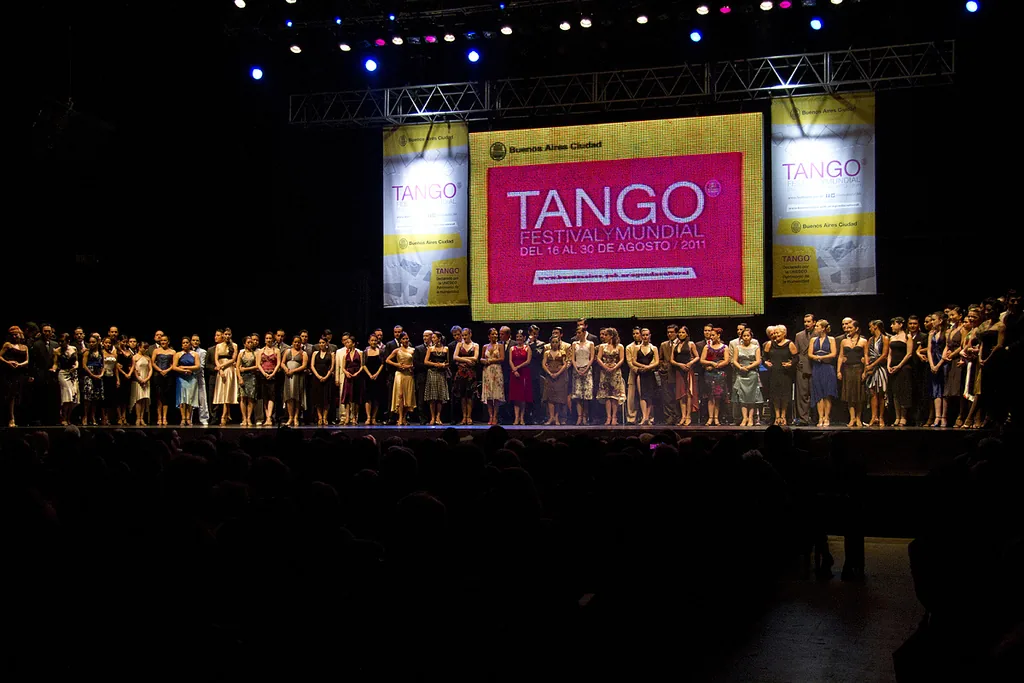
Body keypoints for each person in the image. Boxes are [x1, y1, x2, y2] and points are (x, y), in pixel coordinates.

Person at [765, 325, 798, 426]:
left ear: (784, 333)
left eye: (778, 333)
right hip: (774, 373)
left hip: (785, 373)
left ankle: (783, 416)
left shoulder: (789, 344)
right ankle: (777, 416)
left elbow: (796, 358)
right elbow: (764, 357)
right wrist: (766, 362)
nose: (775, 335)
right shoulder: (770, 344)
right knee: (775, 396)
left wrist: (790, 364)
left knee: (784, 395)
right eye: (774, 333)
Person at [837, 320, 867, 428]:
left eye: (850, 328)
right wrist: (838, 371)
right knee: (849, 395)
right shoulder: (844, 341)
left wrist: (865, 371)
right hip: (847, 369)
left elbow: (866, 356)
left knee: (859, 394)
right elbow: (840, 356)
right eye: (847, 328)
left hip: (859, 368)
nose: (848, 330)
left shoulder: (863, 341)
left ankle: (858, 418)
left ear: (856, 329)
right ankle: (852, 418)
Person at [809, 319, 837, 428]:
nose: (815, 328)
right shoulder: (813, 340)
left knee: (827, 393)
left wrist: (822, 357)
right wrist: (816, 357)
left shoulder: (831, 339)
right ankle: (820, 417)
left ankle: (827, 417)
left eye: (817, 326)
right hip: (817, 367)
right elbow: (810, 354)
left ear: (823, 328)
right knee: (818, 394)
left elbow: (834, 353)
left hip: (827, 368)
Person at [731, 328, 763, 427]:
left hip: (752, 374)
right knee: (742, 397)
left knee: (752, 397)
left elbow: (758, 360)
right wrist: (740, 367)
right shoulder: (738, 347)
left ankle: (750, 418)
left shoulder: (755, 347)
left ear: (751, 337)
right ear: (741, 337)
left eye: (747, 336)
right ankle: (744, 418)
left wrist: (748, 367)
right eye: (744, 336)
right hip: (741, 374)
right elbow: (734, 360)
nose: (746, 337)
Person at [887, 317, 915, 427]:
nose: (891, 326)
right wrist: (889, 365)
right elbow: (889, 354)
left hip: (903, 367)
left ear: (900, 324)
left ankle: (903, 417)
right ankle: (897, 417)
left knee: (904, 391)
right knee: (895, 392)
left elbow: (909, 353)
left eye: (893, 324)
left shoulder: (907, 336)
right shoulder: (892, 338)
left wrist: (899, 366)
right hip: (893, 367)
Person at [596, 327, 626, 425]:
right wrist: (604, 366)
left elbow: (621, 359)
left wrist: (614, 367)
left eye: (606, 335)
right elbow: (598, 358)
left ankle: (614, 417)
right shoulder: (602, 346)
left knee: (615, 395)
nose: (604, 337)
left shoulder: (620, 346)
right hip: (605, 372)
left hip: (615, 372)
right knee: (607, 395)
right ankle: (608, 417)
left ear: (611, 336)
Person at [1, 326, 30, 427]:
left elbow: (27, 361)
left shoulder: (24, 347)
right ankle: (11, 418)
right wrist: (8, 362)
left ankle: (20, 418)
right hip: (10, 374)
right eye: (12, 334)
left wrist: (20, 365)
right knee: (11, 396)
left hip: (20, 373)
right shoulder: (7, 345)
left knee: (20, 395)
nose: (14, 336)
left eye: (16, 334)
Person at [669, 326, 699, 426]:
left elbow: (697, 357)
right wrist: (680, 365)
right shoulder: (675, 345)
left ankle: (688, 416)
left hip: (688, 370)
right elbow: (672, 360)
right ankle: (682, 416)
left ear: (687, 334)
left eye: (683, 333)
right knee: (681, 395)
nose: (681, 334)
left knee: (689, 393)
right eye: (680, 333)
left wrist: (690, 364)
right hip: (679, 371)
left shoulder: (691, 344)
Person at [700, 327, 729, 426]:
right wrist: (711, 363)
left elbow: (726, 360)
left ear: (718, 335)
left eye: (713, 335)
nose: (711, 337)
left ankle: (716, 418)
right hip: (709, 374)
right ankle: (710, 418)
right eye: (710, 335)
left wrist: (719, 365)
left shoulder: (724, 347)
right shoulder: (707, 347)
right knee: (710, 396)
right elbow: (702, 360)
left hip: (720, 374)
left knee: (718, 396)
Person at [386, 332, 416, 426]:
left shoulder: (413, 350)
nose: (405, 340)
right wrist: (397, 364)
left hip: (408, 374)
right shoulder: (397, 350)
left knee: (408, 397)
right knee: (400, 395)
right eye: (403, 339)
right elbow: (387, 360)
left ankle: (404, 418)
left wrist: (411, 367)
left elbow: (415, 362)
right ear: (400, 340)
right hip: (399, 374)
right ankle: (399, 418)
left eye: (407, 338)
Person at [452, 327, 480, 425]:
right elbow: (455, 357)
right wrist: (468, 360)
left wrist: (462, 359)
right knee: (462, 396)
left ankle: (469, 416)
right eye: (463, 335)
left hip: (471, 373)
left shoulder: (475, 345)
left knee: (470, 396)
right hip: (461, 373)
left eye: (466, 335)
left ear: (470, 334)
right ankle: (464, 416)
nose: (464, 337)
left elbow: (475, 358)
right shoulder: (460, 344)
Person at [542, 327, 570, 425]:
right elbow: (543, 363)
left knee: (558, 398)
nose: (554, 344)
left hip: (559, 377)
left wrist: (558, 373)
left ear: (559, 343)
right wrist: (549, 373)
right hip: (550, 376)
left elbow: (565, 364)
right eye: (553, 342)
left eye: (556, 342)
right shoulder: (546, 352)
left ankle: (557, 418)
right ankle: (551, 417)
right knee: (550, 398)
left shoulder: (562, 352)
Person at [864, 320, 889, 428]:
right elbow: (866, 353)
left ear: (875, 327)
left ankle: (881, 417)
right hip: (871, 367)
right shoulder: (870, 339)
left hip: (880, 367)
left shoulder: (885, 338)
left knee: (881, 393)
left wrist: (873, 364)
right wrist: (867, 365)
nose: (869, 329)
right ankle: (874, 417)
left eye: (870, 327)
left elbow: (884, 355)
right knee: (872, 392)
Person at [336, 334, 364, 426]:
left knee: (355, 398)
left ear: (353, 344)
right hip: (348, 378)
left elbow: (362, 366)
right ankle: (347, 417)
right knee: (348, 398)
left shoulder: (359, 353)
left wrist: (357, 373)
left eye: (348, 342)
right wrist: (346, 373)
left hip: (356, 377)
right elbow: (343, 367)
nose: (346, 344)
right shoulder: (345, 355)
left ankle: (355, 417)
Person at [633, 328, 659, 426]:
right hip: (641, 373)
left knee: (650, 396)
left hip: (649, 373)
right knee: (642, 395)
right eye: (643, 335)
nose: (645, 337)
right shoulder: (637, 348)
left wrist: (648, 367)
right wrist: (642, 367)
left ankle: (647, 417)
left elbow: (657, 362)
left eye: (647, 335)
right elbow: (634, 361)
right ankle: (644, 417)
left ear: (650, 335)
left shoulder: (653, 348)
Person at [570, 325, 595, 425]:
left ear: (584, 333)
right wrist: (576, 368)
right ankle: (579, 417)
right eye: (577, 333)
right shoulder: (574, 344)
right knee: (578, 395)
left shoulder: (590, 344)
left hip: (587, 370)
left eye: (579, 333)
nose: (578, 335)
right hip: (577, 370)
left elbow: (592, 357)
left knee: (586, 396)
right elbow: (573, 358)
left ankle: (585, 417)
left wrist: (586, 368)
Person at [423, 332, 450, 426]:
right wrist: (435, 364)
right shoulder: (430, 349)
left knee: (440, 397)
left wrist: (444, 365)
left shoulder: (446, 348)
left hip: (441, 373)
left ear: (439, 338)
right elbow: (425, 361)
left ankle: (438, 417)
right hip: (432, 373)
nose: (432, 339)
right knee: (432, 397)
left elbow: (448, 362)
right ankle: (432, 417)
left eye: (434, 337)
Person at [172, 337, 200, 427]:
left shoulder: (195, 354)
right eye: (183, 342)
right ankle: (183, 418)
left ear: (190, 344)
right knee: (182, 398)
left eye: (187, 342)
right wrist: (183, 371)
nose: (185, 344)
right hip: (181, 378)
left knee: (190, 398)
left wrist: (185, 368)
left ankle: (188, 417)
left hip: (191, 378)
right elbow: (174, 367)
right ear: (181, 344)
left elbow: (197, 366)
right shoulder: (178, 354)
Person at [213, 330, 239, 425]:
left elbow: (233, 359)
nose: (227, 336)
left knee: (227, 392)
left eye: (229, 334)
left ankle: (224, 416)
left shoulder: (234, 345)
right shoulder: (218, 346)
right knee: (222, 392)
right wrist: (220, 369)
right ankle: (227, 414)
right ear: (223, 335)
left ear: (231, 335)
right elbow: (216, 359)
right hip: (221, 370)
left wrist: (222, 366)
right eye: (225, 334)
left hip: (229, 369)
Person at [480, 328, 506, 426]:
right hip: (487, 371)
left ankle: (495, 416)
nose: (495, 336)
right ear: (489, 336)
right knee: (489, 396)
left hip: (496, 371)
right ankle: (490, 416)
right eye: (493, 334)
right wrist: (483, 360)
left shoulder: (500, 346)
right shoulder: (485, 346)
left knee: (496, 395)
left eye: (496, 334)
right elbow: (482, 357)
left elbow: (502, 358)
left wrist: (491, 361)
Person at [793, 313, 816, 425]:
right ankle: (803, 419)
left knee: (816, 393)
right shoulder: (799, 335)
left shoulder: (818, 334)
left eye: (809, 321)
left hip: (816, 366)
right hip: (802, 367)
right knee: (802, 394)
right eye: (805, 321)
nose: (806, 324)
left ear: (814, 322)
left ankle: (817, 418)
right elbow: (796, 352)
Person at [53, 333, 79, 425]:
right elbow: (55, 363)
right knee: (66, 396)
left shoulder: (73, 349)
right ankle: (63, 416)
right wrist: (53, 368)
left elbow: (76, 361)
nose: (60, 343)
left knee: (73, 397)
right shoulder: (57, 351)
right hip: (63, 373)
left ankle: (68, 417)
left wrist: (76, 367)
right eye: (59, 341)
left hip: (72, 374)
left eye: (62, 341)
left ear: (67, 341)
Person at [507, 329, 532, 426]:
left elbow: (528, 361)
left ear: (524, 338)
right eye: (517, 337)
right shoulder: (512, 348)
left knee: (523, 397)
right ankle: (516, 417)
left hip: (524, 372)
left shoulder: (527, 348)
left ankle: (522, 418)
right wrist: (514, 370)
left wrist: (518, 367)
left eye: (520, 337)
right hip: (514, 373)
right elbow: (510, 360)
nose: (518, 338)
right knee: (516, 396)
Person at [282, 336, 308, 428]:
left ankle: (296, 417)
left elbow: (304, 365)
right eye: (295, 342)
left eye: (298, 342)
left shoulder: (303, 353)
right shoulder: (287, 351)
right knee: (289, 397)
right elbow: (282, 362)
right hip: (288, 376)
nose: (297, 344)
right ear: (292, 342)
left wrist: (293, 371)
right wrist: (286, 369)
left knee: (297, 397)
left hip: (298, 377)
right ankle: (290, 417)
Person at [256, 332, 281, 426]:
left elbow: (278, 363)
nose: (269, 340)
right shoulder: (261, 351)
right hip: (263, 375)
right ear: (265, 339)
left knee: (272, 397)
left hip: (273, 375)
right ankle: (266, 418)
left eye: (270, 338)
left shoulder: (276, 350)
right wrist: (264, 373)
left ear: (273, 339)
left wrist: (273, 373)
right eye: (267, 338)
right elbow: (258, 364)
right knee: (265, 397)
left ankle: (269, 417)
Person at [310, 336, 335, 427]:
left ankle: (325, 417)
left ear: (326, 344)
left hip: (327, 378)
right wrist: (318, 376)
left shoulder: (331, 354)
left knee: (326, 398)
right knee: (318, 398)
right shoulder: (315, 353)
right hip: (317, 378)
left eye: (323, 343)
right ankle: (319, 417)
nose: (321, 344)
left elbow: (332, 367)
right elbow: (312, 366)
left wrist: (326, 376)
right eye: (320, 343)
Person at [362, 334, 387, 425]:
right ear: (369, 341)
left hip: (378, 377)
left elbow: (382, 364)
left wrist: (376, 374)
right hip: (368, 377)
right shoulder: (365, 351)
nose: (373, 342)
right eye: (372, 340)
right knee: (368, 398)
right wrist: (369, 375)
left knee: (376, 398)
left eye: (375, 341)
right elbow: (363, 364)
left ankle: (374, 417)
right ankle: (368, 417)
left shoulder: (380, 351)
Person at [659, 324, 680, 426]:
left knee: (678, 396)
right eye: (668, 332)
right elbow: (660, 359)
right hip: (666, 374)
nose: (670, 334)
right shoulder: (664, 345)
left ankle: (678, 417)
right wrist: (663, 366)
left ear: (676, 333)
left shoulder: (681, 343)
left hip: (679, 373)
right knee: (667, 397)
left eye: (672, 332)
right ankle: (669, 418)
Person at [236, 335, 259, 427]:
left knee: (250, 398)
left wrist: (245, 369)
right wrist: (239, 378)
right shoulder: (241, 353)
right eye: (248, 342)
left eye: (251, 342)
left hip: (252, 377)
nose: (250, 344)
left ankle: (249, 418)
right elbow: (237, 367)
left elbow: (257, 366)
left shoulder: (255, 354)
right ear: (244, 344)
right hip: (243, 377)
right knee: (242, 397)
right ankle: (244, 418)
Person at [130, 340, 151, 426]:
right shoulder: (135, 357)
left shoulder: (148, 358)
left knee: (144, 400)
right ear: (139, 347)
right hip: (137, 380)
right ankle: (138, 418)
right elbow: (133, 369)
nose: (145, 350)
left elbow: (150, 369)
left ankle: (142, 418)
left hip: (146, 379)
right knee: (138, 399)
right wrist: (139, 379)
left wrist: (147, 379)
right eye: (144, 348)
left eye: (147, 348)